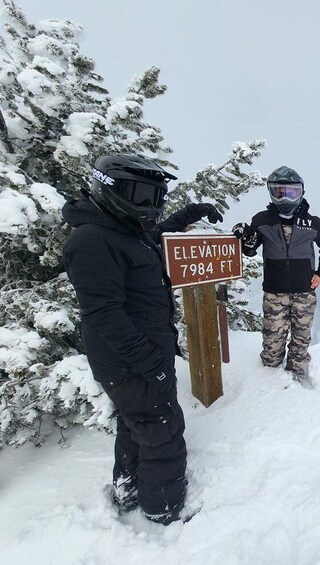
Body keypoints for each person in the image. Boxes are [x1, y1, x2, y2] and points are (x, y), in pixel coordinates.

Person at [62, 154, 223, 525]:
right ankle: (163, 509)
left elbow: (159, 230)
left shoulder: (123, 228)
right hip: (132, 362)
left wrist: (193, 211)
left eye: (155, 195)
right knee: (162, 431)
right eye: (141, 194)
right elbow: (104, 314)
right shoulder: (93, 240)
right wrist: (151, 364)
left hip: (134, 360)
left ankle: (128, 488)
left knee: (136, 423)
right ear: (111, 188)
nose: (149, 205)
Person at [232, 166, 320, 387]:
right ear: (271, 193)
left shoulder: (312, 223)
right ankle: (270, 379)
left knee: (301, 339)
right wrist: (245, 236)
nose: (285, 197)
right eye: (280, 192)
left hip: (304, 293)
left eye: (292, 192)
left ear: (301, 193)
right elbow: (250, 250)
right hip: (274, 293)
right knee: (272, 344)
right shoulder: (262, 220)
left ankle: (297, 377)